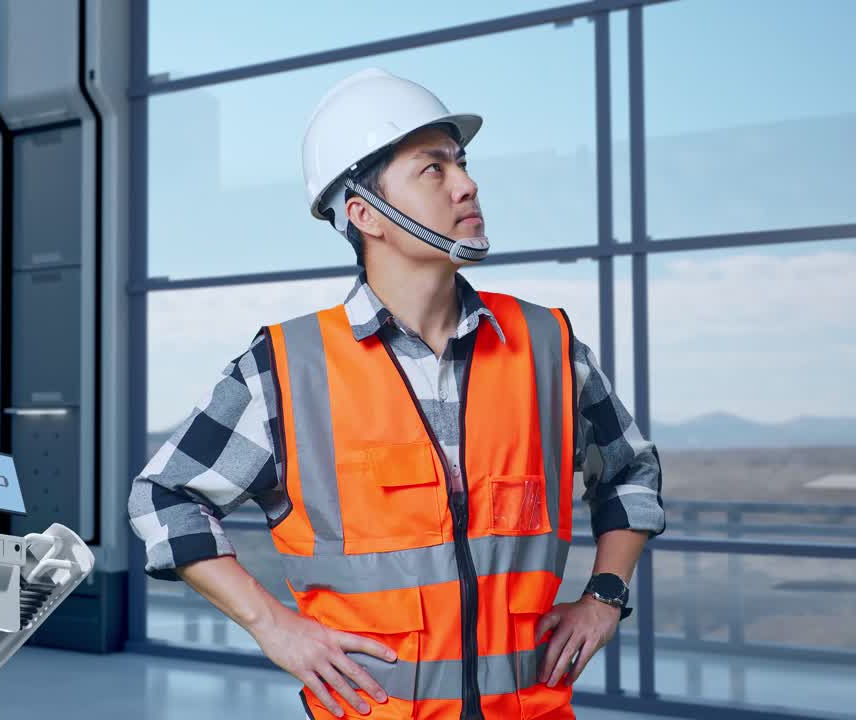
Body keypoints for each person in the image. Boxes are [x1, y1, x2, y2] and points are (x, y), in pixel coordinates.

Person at [128, 68, 665, 720]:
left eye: (461, 163)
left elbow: (631, 470)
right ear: (364, 214)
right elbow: (163, 496)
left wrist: (605, 594)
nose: (467, 184)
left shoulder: (545, 345)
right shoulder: (288, 369)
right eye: (432, 170)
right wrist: (273, 625)